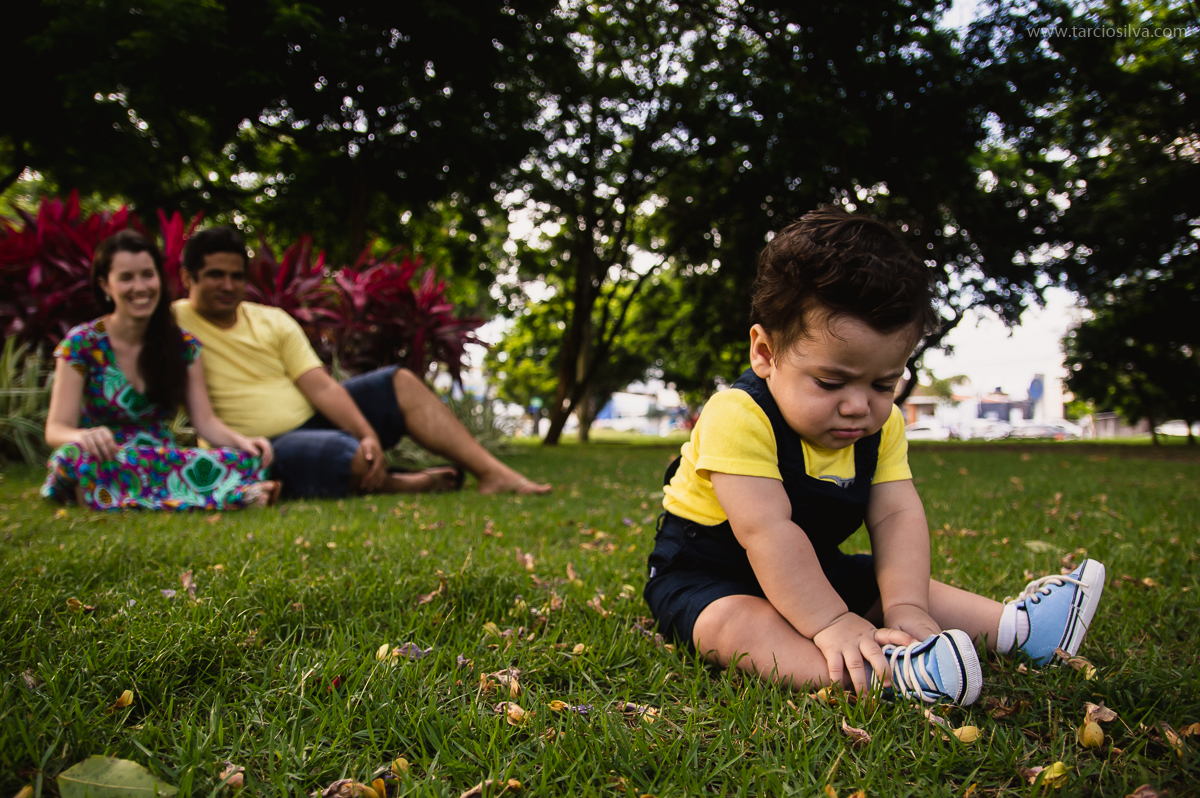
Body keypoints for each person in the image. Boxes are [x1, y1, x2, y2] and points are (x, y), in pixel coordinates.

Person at [643, 208, 1105, 705]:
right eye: (830, 382)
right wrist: (833, 621)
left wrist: (906, 605)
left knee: (887, 584)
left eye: (884, 384)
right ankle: (894, 677)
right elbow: (767, 532)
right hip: (708, 574)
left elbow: (896, 514)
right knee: (735, 625)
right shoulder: (738, 415)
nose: (859, 405)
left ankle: (1021, 631)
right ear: (766, 353)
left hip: (812, 568)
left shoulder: (882, 427)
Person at [172, 226, 552, 498]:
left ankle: (493, 474)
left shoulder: (272, 319)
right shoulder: (171, 323)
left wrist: (367, 433)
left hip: (312, 422)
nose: (227, 285)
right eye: (214, 276)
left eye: (236, 276)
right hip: (254, 447)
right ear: (187, 276)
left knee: (399, 382)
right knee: (348, 456)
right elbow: (116, 335)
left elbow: (320, 385)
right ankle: (404, 483)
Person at [43, 230, 280, 510]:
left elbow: (205, 422)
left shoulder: (184, 346)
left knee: (238, 460)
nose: (140, 287)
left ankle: (109, 496)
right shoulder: (81, 343)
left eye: (148, 275)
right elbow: (56, 428)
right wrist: (82, 436)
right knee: (71, 457)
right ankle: (231, 496)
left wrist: (244, 442)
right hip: (104, 454)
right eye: (126, 278)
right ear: (106, 285)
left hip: (160, 457)